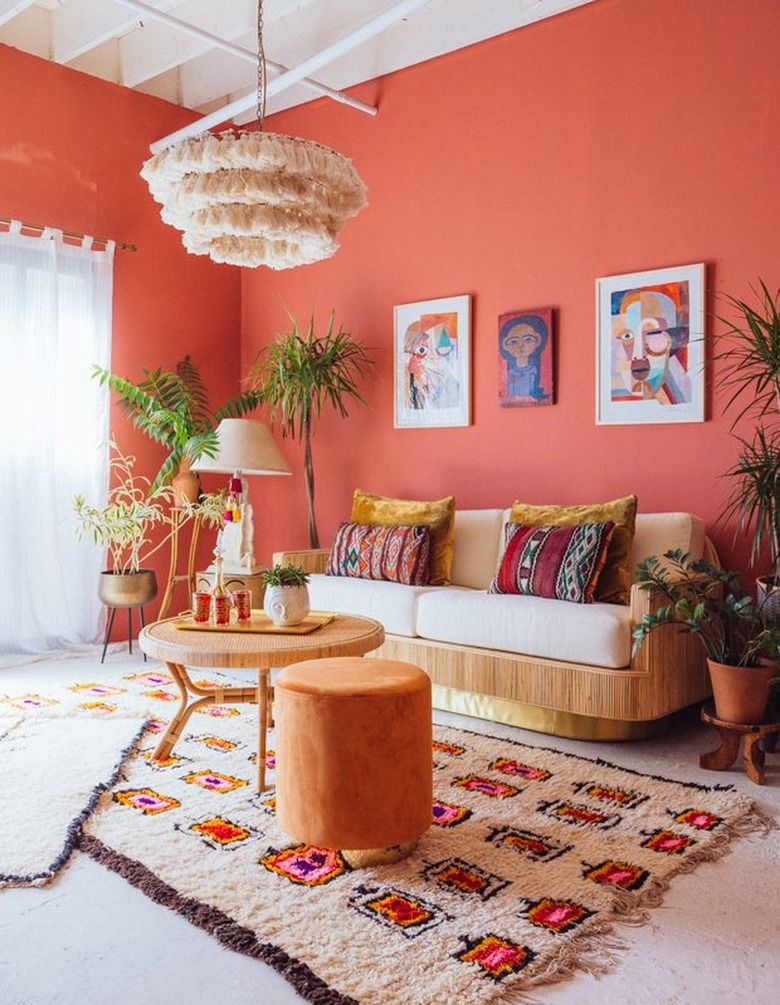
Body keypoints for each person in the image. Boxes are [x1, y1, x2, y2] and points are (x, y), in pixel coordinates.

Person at [610, 286, 691, 405]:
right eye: (627, 336)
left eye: (653, 333)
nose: (639, 355)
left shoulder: (683, 392)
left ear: (673, 340)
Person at [499, 313, 550, 402]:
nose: (521, 346)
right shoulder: (510, 373)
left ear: (538, 340)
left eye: (528, 339)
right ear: (504, 345)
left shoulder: (535, 370)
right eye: (513, 341)